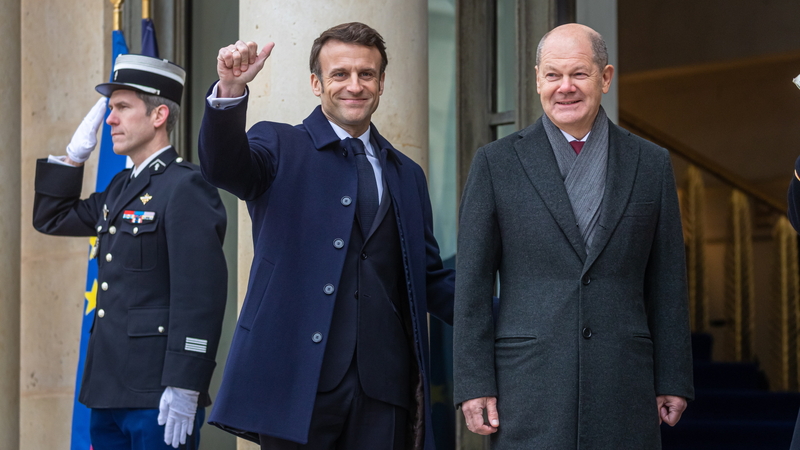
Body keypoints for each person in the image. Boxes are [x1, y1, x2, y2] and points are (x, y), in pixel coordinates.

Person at [198, 22, 455, 450]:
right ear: (316, 84)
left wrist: (511, 316)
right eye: (340, 74)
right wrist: (230, 90)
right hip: (296, 384)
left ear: (381, 83)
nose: (354, 85)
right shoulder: (278, 144)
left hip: (384, 390)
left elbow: (428, 278)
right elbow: (222, 167)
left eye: (366, 74)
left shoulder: (407, 174)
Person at [453, 23, 694, 448]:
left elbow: (668, 280)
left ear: (605, 77)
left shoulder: (650, 163)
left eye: (579, 74)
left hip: (623, 377)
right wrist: (474, 383)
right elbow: (472, 285)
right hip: (527, 381)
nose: (565, 87)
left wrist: (674, 376)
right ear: (537, 80)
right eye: (553, 75)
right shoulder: (496, 163)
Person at [32, 54, 228, 450]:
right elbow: (52, 218)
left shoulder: (185, 187)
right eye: (111, 108)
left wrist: (187, 382)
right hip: (107, 390)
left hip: (158, 392)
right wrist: (73, 158)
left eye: (122, 107)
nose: (110, 120)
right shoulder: (121, 187)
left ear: (158, 115)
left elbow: (200, 296)